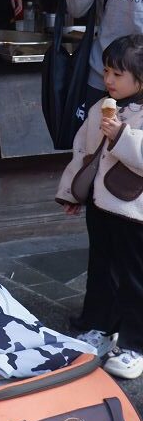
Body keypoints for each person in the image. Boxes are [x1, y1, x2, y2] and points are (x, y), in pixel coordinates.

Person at [56, 35, 143, 379]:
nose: (108, 80)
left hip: (134, 211)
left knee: (135, 278)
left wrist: (122, 135)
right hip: (101, 205)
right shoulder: (100, 108)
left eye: (117, 74)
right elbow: (84, 152)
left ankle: (135, 344)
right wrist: (72, 193)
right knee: (101, 268)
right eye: (106, 71)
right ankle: (98, 326)